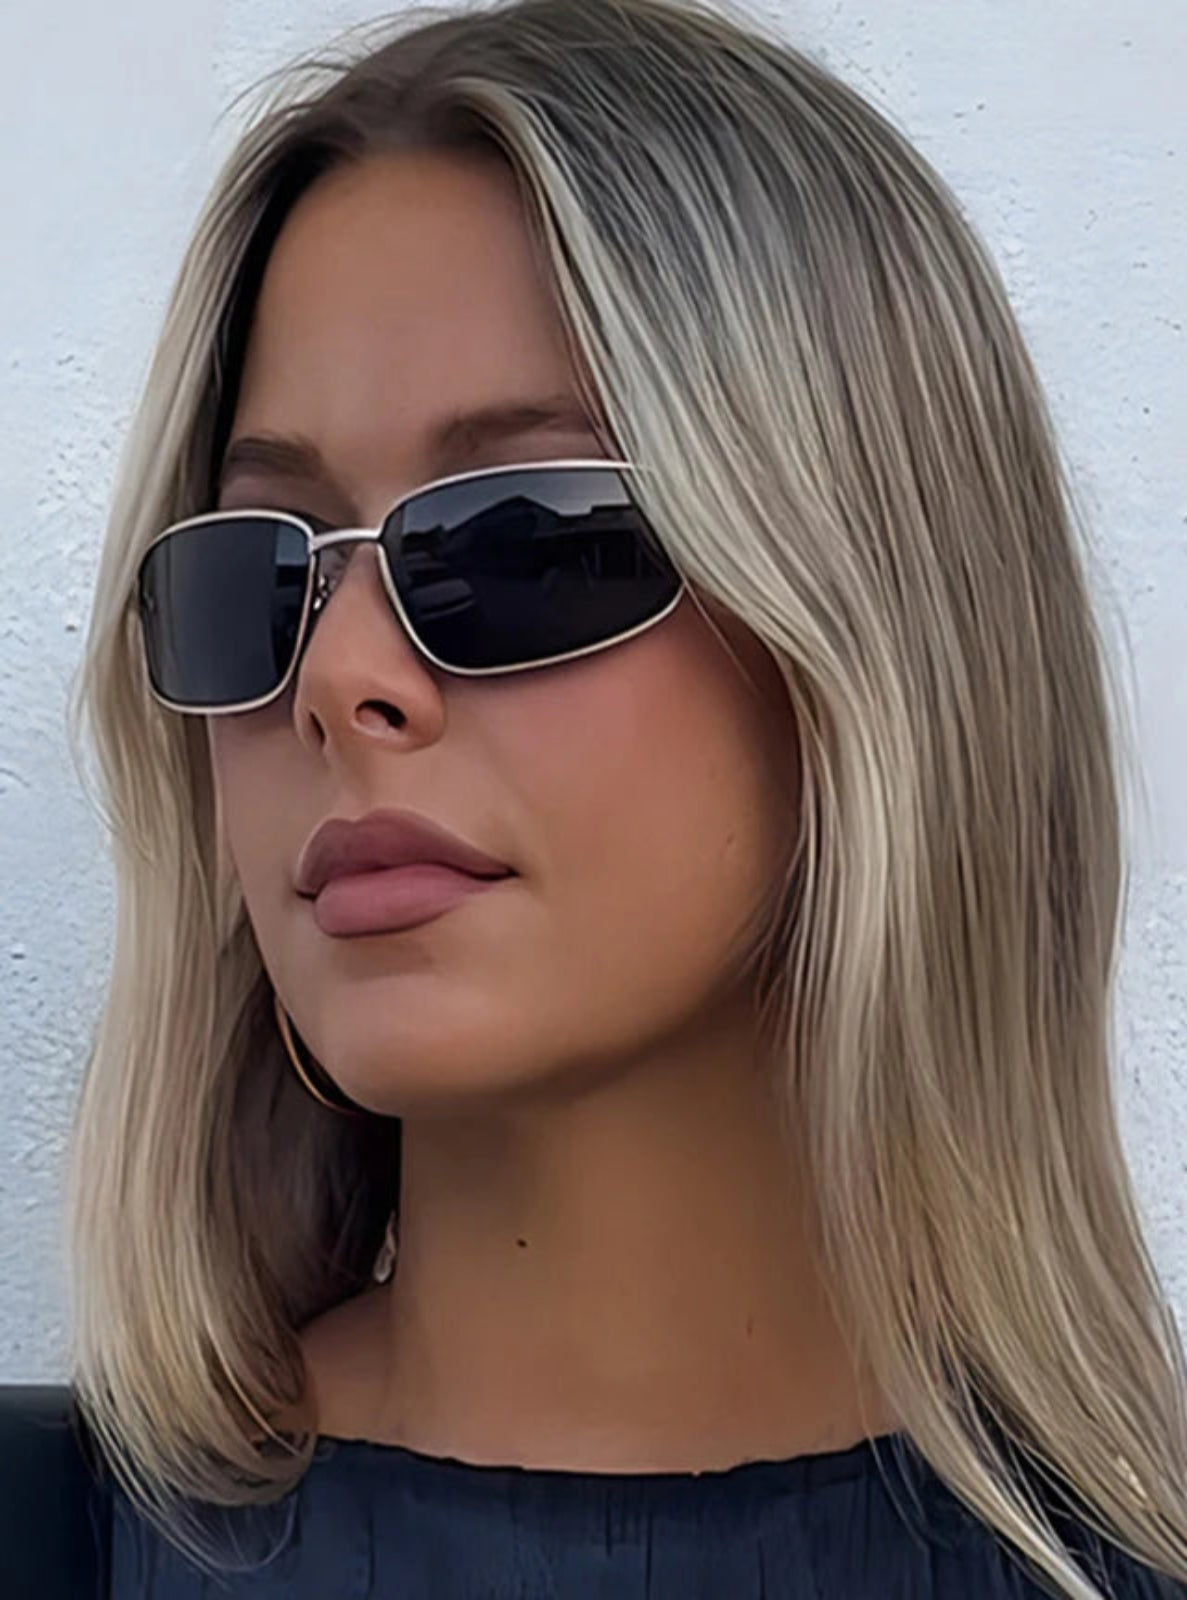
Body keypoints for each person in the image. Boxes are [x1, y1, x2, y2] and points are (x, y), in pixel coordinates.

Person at [29, 0, 1187, 1593]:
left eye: (519, 538)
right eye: (258, 570)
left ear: (876, 631)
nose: (342, 675)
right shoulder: (62, 1540)